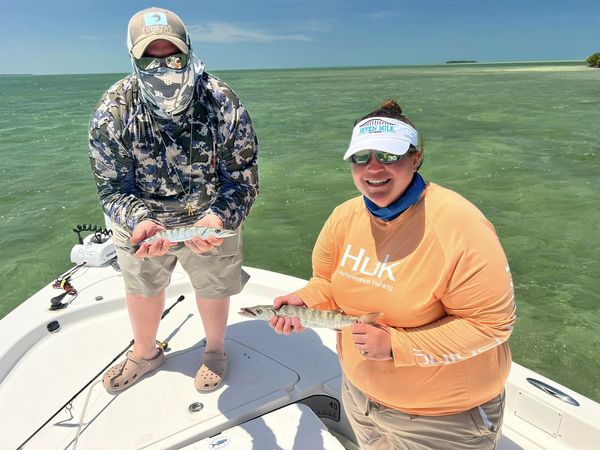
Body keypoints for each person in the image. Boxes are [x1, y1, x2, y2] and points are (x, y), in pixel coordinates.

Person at [270, 99, 516, 449]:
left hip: (442, 418)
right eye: (361, 157)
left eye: (388, 156)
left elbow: (491, 325)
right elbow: (326, 281)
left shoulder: (460, 225)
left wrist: (398, 346)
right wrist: (304, 300)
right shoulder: (344, 217)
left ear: (415, 158)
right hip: (361, 400)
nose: (373, 168)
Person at [89, 7, 258, 394]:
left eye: (173, 56)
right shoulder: (113, 111)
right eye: (150, 57)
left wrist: (219, 218)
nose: (163, 65)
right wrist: (140, 222)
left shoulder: (221, 102)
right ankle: (145, 353)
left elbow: (242, 179)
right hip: (143, 221)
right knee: (142, 285)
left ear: (189, 52)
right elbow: (112, 187)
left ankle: (215, 350)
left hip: (208, 215)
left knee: (213, 284)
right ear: (133, 58)